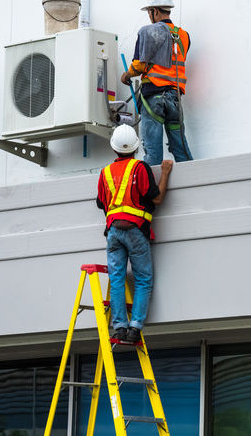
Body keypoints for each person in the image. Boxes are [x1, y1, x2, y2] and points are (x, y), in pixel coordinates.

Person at [96, 124, 173, 343]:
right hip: (135, 231)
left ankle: (119, 327)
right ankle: (135, 327)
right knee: (143, 279)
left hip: (113, 232)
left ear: (114, 149)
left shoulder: (105, 173)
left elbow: (102, 202)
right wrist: (165, 173)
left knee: (117, 278)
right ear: (136, 148)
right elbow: (156, 199)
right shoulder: (140, 168)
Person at [121, 0, 193, 165]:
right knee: (180, 147)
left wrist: (127, 74)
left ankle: (151, 190)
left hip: (153, 97)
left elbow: (139, 65)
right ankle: (195, 178)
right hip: (175, 99)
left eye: (149, 12)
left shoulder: (147, 31)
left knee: (152, 151)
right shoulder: (183, 36)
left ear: (154, 11)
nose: (149, 16)